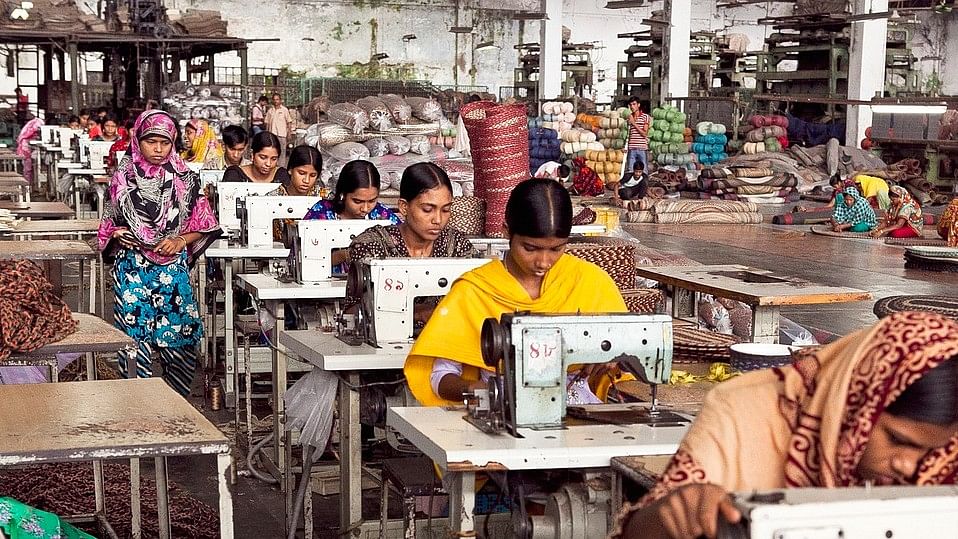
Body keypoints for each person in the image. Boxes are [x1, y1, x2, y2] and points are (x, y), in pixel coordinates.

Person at [610, 311, 958, 539]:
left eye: (930, 450)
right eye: (897, 439)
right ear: (857, 400)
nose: (909, 465)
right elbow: (642, 532)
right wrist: (670, 514)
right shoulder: (744, 413)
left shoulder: (943, 459)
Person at [404, 178, 629, 405]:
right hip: (501, 408)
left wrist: (616, 356)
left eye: (556, 249)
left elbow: (628, 354)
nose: (543, 261)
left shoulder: (590, 281)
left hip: (580, 416)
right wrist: (476, 390)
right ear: (506, 231)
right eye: (530, 248)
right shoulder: (474, 290)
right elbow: (440, 377)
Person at [96, 109, 221, 396]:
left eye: (164, 142)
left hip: (171, 269)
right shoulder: (122, 177)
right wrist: (116, 233)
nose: (158, 148)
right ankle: (139, 403)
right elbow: (107, 224)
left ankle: (175, 401)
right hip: (132, 268)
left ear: (173, 142)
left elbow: (204, 224)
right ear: (138, 140)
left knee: (180, 335)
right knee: (133, 339)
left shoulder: (186, 179)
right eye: (151, 141)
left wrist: (180, 241)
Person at [348, 162, 476, 261]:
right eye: (427, 210)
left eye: (445, 210)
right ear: (404, 207)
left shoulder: (456, 244)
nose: (438, 220)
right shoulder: (372, 246)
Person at [304, 159, 401, 273]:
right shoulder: (320, 213)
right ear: (343, 194)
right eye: (357, 201)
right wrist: (343, 255)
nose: (365, 208)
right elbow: (305, 259)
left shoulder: (383, 216)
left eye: (372, 201)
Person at [221, 131, 289, 184]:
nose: (268, 164)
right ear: (252, 155)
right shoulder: (235, 175)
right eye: (263, 157)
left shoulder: (282, 176)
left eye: (274, 159)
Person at [265, 92, 294, 164]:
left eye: (277, 99)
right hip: (272, 135)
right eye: (274, 99)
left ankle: (281, 168)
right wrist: (267, 134)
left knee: (282, 151)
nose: (276, 101)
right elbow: (267, 123)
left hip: (282, 134)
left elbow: (289, 122)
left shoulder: (284, 110)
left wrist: (289, 133)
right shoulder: (270, 111)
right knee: (273, 152)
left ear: (280, 100)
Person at [625, 96, 651, 173]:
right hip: (631, 148)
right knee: (630, 170)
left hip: (642, 148)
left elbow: (644, 133)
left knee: (644, 171)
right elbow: (628, 134)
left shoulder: (645, 117)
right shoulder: (629, 117)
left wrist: (634, 123)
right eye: (630, 105)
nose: (632, 107)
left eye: (634, 104)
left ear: (638, 105)